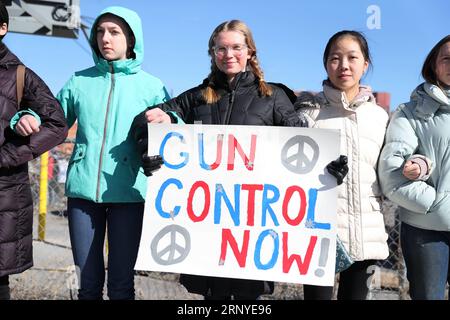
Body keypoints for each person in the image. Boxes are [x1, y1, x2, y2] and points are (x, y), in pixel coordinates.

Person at [133, 20, 348, 300]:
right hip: (207, 225)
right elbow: (143, 122)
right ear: (212, 53)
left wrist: (329, 167)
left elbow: (304, 147)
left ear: (250, 52)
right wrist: (151, 148)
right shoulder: (197, 98)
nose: (228, 54)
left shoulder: (273, 97)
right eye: (221, 48)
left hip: (253, 230)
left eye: (236, 47)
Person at [55, 6, 174, 300]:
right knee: (88, 285)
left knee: (121, 285)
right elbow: (51, 120)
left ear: (131, 40)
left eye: (114, 32)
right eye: (100, 32)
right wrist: (24, 118)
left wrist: (171, 124)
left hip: (130, 195)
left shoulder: (152, 86)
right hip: (83, 196)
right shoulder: (78, 81)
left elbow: (175, 127)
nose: (105, 38)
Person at [294, 30, 389, 300]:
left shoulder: (379, 117)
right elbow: (289, 170)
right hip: (316, 231)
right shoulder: (307, 115)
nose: (344, 65)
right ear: (326, 64)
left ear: (365, 64)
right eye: (335, 58)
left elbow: (389, 170)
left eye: (352, 57)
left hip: (364, 230)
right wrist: (319, 174)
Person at [0, 1, 68, 300]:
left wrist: (6, 156)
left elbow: (57, 124)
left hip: (3, 192)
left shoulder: (19, 75)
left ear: (3, 28)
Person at [378, 35, 450, 300]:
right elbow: (392, 175)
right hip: (426, 228)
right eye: (447, 58)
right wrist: (439, 204)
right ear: (433, 65)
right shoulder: (410, 113)